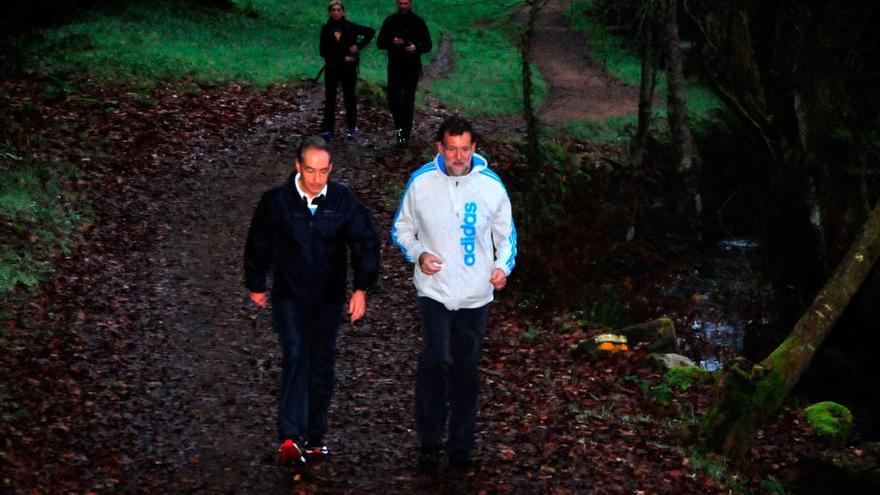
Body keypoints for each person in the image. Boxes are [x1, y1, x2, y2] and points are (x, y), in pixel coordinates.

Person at [391, 116, 517, 471]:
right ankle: (429, 442)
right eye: (452, 149)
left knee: (465, 367)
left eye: (464, 149)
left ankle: (461, 444)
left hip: (476, 295)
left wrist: (501, 269)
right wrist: (419, 254)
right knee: (436, 359)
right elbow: (402, 229)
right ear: (440, 148)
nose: (458, 156)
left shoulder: (491, 186)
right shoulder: (421, 183)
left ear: (474, 148)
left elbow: (507, 238)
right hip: (434, 291)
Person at [244, 135, 380, 464]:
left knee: (321, 366)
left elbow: (365, 242)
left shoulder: (343, 201)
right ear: (297, 167)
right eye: (310, 171)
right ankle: (291, 436)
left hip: (328, 298)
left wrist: (361, 287)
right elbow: (258, 241)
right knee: (296, 355)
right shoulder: (277, 201)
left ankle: (314, 436)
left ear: (331, 169)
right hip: (289, 296)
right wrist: (256, 282)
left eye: (323, 172)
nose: (317, 179)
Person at [377, 0, 432, 148]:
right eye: (400, 3)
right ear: (397, 3)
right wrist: (392, 42)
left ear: (411, 3)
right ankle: (400, 131)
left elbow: (428, 44)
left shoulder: (418, 22)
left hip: (412, 68)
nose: (403, 6)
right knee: (394, 102)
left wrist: (416, 48)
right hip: (394, 67)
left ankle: (403, 138)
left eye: (406, 3)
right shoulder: (390, 20)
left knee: (407, 102)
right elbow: (380, 43)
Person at [319, 1, 375, 141]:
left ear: (343, 12)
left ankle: (351, 128)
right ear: (330, 12)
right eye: (333, 10)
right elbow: (323, 51)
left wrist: (358, 46)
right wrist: (341, 58)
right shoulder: (326, 29)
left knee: (349, 98)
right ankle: (327, 129)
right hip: (332, 68)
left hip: (349, 69)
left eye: (338, 10)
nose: (336, 12)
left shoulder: (350, 27)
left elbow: (370, 32)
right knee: (330, 97)